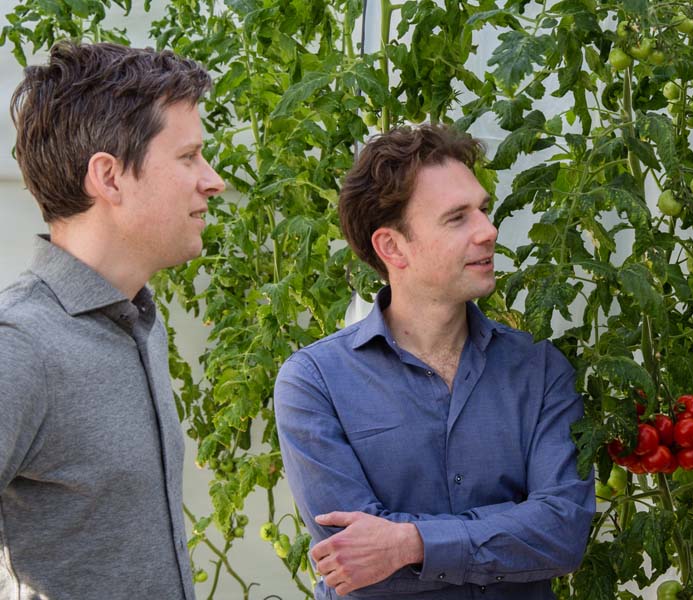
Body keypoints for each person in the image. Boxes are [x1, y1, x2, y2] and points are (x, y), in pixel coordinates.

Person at [274, 124, 594, 599]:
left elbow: (562, 532)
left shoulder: (539, 369)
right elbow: (350, 560)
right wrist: (507, 534)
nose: (488, 231)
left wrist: (409, 543)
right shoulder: (315, 382)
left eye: (482, 209)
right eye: (457, 218)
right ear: (392, 247)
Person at [1, 41, 225, 598]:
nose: (213, 180)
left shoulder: (140, 321)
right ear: (109, 177)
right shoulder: (20, 346)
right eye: (188, 157)